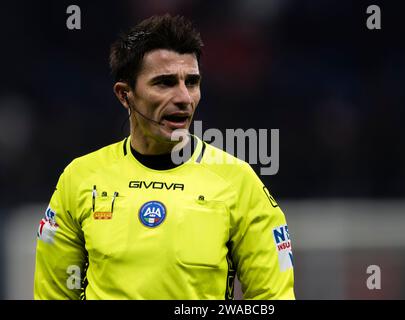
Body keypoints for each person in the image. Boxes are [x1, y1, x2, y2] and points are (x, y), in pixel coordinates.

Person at [34, 14, 295, 300]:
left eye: (192, 82)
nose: (184, 97)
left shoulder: (238, 182)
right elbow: (55, 293)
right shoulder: (80, 178)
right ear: (125, 95)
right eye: (165, 83)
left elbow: (272, 297)